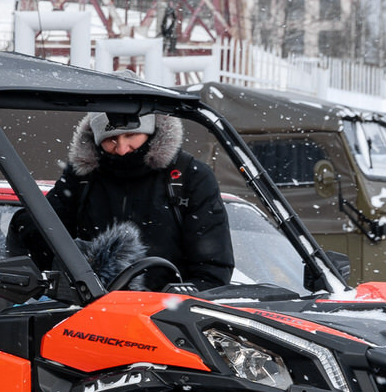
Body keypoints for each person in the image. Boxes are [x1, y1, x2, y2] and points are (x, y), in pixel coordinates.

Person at [13, 109, 234, 287]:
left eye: (131, 135)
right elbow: (45, 238)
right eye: (110, 139)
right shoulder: (82, 177)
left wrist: (176, 300)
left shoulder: (188, 177)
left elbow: (213, 268)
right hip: (90, 311)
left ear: (152, 132)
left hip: (166, 317)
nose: (121, 149)